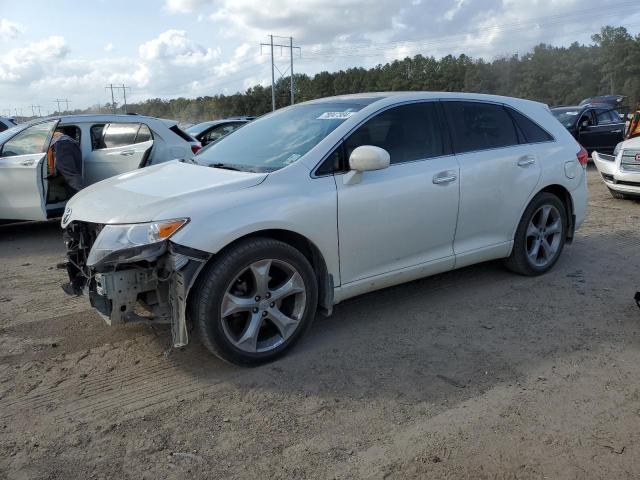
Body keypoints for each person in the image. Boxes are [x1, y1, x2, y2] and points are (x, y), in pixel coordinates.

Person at [50, 129, 83, 196]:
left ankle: (79, 199)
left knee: (70, 175)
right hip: (66, 142)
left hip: (62, 143)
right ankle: (77, 198)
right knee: (71, 174)